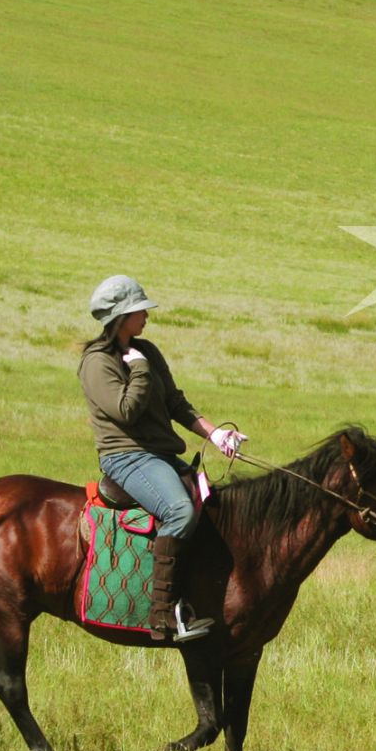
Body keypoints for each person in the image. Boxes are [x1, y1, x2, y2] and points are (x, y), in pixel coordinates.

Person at [78, 275, 247, 643]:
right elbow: (126, 411)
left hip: (160, 454)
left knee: (209, 506)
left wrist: (216, 434)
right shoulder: (97, 363)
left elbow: (174, 402)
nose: (146, 315)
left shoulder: (148, 351)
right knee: (180, 512)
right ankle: (162, 618)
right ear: (122, 316)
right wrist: (137, 368)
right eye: (140, 310)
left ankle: (194, 600)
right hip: (126, 457)